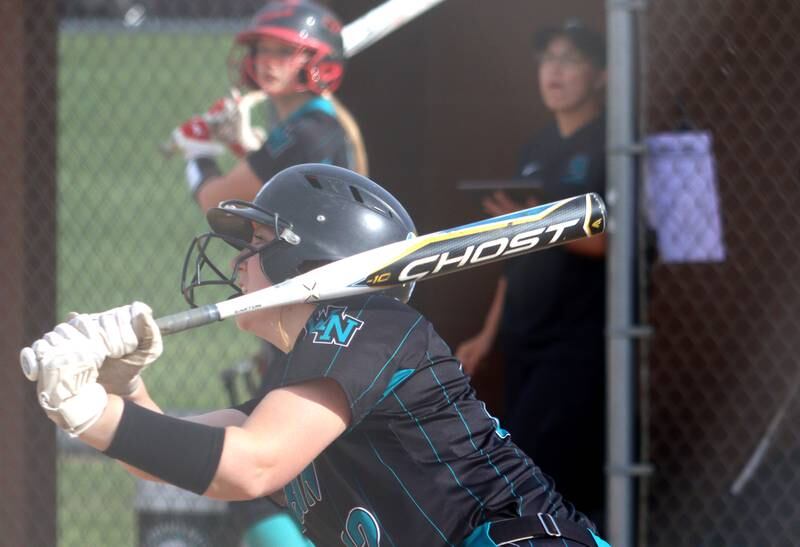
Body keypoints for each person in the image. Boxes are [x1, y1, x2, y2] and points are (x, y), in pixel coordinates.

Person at [23, 164, 611, 547]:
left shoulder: (373, 325)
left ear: (310, 262)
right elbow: (173, 457)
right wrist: (121, 391)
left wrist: (85, 412)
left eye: (257, 246)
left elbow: (251, 465)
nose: (239, 265)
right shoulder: (305, 378)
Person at [455, 21, 608, 527]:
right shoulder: (535, 148)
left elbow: (611, 242)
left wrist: (539, 219)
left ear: (601, 73)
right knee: (522, 464)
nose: (554, 70)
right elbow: (516, 257)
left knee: (548, 474)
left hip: (576, 344)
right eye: (547, 59)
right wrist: (487, 333)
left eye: (569, 59)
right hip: (524, 338)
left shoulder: (612, 145)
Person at [170, 0, 369, 215]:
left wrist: (198, 154)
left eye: (285, 51)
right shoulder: (317, 123)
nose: (268, 62)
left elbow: (216, 202)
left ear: (320, 61)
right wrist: (243, 144)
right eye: (263, 49)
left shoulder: (306, 132)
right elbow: (279, 170)